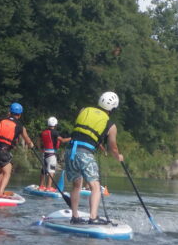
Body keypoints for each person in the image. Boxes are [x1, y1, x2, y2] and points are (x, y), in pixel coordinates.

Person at [63, 91, 124, 225]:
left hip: (70, 151)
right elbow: (113, 148)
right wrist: (118, 157)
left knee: (76, 184)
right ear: (113, 108)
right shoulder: (111, 125)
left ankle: (75, 216)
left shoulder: (84, 110)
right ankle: (93, 217)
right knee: (95, 186)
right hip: (85, 153)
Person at [0, 102, 34, 198]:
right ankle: (0, 193)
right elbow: (27, 139)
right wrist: (31, 145)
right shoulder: (20, 126)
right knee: (8, 171)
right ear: (19, 115)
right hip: (4, 150)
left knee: (1, 171)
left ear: (9, 112)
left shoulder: (1, 120)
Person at [37, 117, 70, 190]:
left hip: (44, 153)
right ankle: (48, 187)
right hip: (51, 154)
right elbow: (63, 140)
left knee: (43, 170)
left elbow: (38, 140)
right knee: (51, 171)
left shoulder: (43, 132)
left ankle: (41, 186)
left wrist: (40, 149)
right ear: (55, 124)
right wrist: (72, 138)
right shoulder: (55, 132)